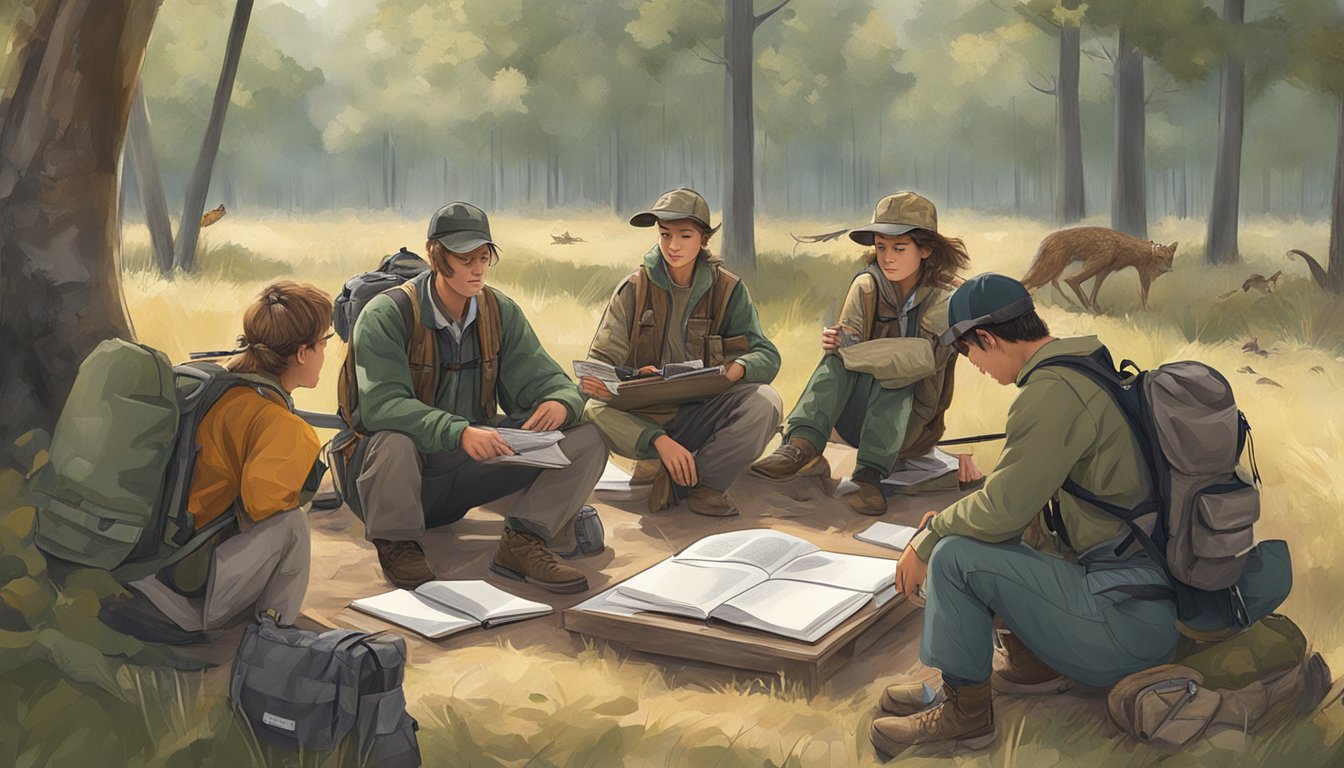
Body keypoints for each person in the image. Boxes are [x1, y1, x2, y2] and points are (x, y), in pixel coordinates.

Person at [869, 273, 1179, 757]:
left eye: (969, 353)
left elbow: (1001, 510)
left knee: (953, 555)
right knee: (1003, 532)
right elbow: (1020, 505)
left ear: (988, 339)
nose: (974, 366)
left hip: (1121, 624)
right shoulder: (1084, 367)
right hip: (1136, 598)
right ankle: (1035, 666)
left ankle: (965, 716)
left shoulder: (1052, 392)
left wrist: (929, 535)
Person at [348, 201, 607, 593]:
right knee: (392, 442)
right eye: (465, 257)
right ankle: (397, 542)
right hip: (397, 478)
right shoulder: (387, 314)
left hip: (471, 462)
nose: (477, 268)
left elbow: (545, 378)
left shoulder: (499, 311)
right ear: (436, 257)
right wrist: (459, 432)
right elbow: (381, 406)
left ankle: (523, 541)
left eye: (483, 256)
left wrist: (559, 401)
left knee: (589, 438)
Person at [105, 281, 333, 643]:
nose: (325, 351)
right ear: (303, 352)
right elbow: (265, 506)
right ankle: (273, 633)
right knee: (291, 524)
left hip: (139, 560)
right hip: (184, 589)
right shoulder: (284, 427)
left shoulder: (206, 378)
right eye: (324, 342)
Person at [750, 191, 981, 515]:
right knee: (836, 358)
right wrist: (846, 346)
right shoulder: (867, 286)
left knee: (897, 371)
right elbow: (847, 344)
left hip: (914, 424)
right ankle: (801, 444)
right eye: (881, 247)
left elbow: (923, 357)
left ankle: (869, 476)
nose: (887, 258)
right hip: (854, 416)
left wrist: (855, 350)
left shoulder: (946, 298)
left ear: (925, 250)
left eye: (899, 248)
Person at [580, 188, 782, 517]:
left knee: (766, 401)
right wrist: (628, 379)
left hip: (700, 412)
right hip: (643, 415)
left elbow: (766, 354)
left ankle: (703, 485)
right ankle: (660, 455)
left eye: (684, 235)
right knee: (592, 409)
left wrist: (739, 369)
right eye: (665, 235)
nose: (673, 246)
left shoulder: (728, 289)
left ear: (703, 239)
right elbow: (599, 364)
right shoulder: (634, 288)